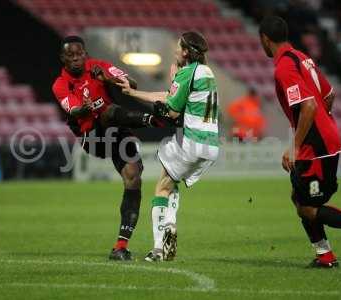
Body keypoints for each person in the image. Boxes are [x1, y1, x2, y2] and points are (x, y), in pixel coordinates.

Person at [52, 36, 159, 261]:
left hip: (117, 130)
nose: (75, 59)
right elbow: (74, 111)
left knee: (133, 177)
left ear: (85, 53)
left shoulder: (99, 66)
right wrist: (84, 108)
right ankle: (154, 120)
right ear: (62, 58)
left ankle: (120, 246)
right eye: (70, 55)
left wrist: (108, 78)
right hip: (91, 137)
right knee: (106, 111)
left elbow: (132, 84)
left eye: (79, 54)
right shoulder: (61, 84)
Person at [259, 16, 341, 268]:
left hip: (316, 146)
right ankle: (325, 255)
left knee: (308, 208)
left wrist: (296, 145)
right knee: (299, 199)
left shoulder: (284, 67)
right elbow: (329, 94)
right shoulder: (301, 57)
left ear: (265, 40)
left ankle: (328, 253)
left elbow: (309, 105)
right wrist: (325, 122)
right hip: (324, 139)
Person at [117, 31, 220, 261]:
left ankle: (159, 248)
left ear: (185, 51)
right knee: (171, 181)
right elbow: (171, 95)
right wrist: (133, 92)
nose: (174, 49)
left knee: (161, 187)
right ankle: (168, 234)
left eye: (178, 46)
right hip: (211, 145)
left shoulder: (185, 73)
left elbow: (171, 111)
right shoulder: (207, 72)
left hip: (192, 141)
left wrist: (174, 81)